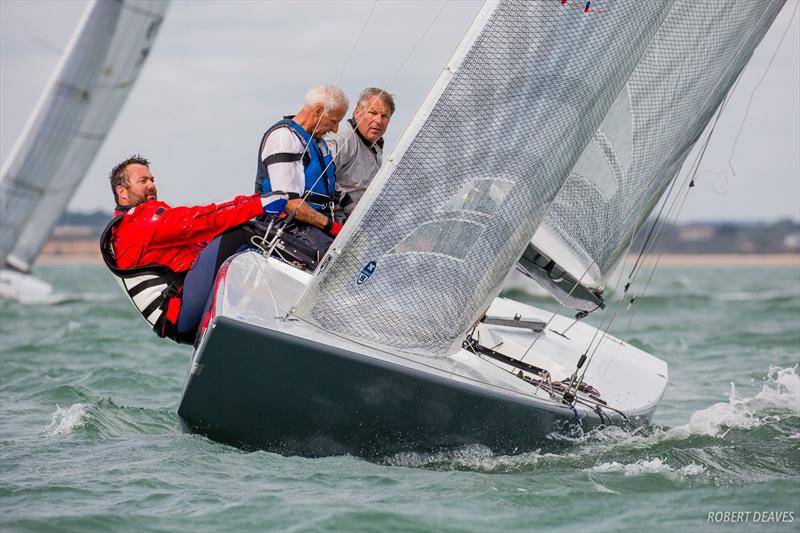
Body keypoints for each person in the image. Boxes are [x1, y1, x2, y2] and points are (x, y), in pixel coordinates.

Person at [100, 155, 286, 344]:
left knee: (235, 245)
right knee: (240, 233)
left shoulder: (126, 227)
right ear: (122, 192)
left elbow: (200, 244)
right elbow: (198, 220)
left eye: (152, 180)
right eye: (143, 181)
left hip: (181, 321)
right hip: (181, 313)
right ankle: (310, 265)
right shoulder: (138, 222)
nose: (151, 185)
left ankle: (277, 312)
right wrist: (258, 204)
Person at [255, 85, 348, 255]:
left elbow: (334, 191)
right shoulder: (284, 138)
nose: (335, 129)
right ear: (319, 111)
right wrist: (331, 227)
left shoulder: (318, 142)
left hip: (314, 225)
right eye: (334, 121)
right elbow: (289, 203)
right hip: (285, 226)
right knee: (339, 257)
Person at [325, 87, 395, 221]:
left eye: (384, 116)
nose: (378, 121)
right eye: (372, 113)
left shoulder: (375, 146)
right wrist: (349, 207)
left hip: (357, 224)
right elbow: (323, 177)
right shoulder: (342, 138)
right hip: (333, 223)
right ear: (357, 112)